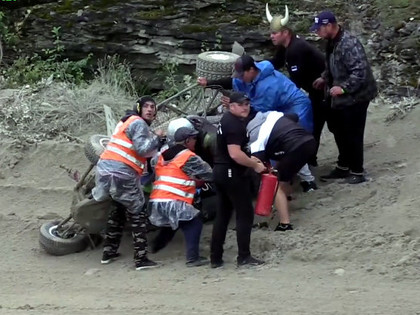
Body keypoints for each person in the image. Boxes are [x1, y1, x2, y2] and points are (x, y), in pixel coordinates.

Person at [197, 55, 317, 192]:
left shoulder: (268, 86)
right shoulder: (251, 76)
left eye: (242, 75)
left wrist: (234, 105)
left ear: (251, 70)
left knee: (292, 144)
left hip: (295, 106)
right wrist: (209, 82)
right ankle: (286, 178)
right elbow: (233, 82)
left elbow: (255, 110)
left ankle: (303, 180)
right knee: (285, 146)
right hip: (275, 110)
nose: (240, 78)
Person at [92, 96, 164, 271]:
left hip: (105, 169)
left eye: (153, 107)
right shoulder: (138, 123)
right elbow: (143, 149)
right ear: (138, 108)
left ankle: (108, 252)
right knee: (137, 212)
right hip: (122, 172)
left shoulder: (124, 121)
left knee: (118, 208)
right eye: (146, 106)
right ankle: (141, 259)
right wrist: (158, 138)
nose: (149, 109)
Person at [311, 11, 378, 184]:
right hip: (342, 97)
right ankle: (343, 167)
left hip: (358, 96)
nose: (317, 33)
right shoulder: (332, 42)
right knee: (340, 131)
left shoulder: (349, 43)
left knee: (353, 133)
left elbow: (360, 72)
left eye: (319, 29)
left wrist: (343, 88)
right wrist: (324, 77)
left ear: (329, 26)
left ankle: (357, 171)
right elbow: (332, 65)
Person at [266, 3, 330, 168]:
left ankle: (313, 159)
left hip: (325, 90)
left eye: (274, 33)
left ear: (285, 32)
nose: (271, 36)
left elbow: (296, 81)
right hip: (315, 90)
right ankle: (311, 158)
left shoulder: (296, 49)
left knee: (318, 125)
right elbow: (275, 63)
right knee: (314, 123)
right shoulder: (285, 46)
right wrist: (255, 68)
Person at [210, 91, 266, 268]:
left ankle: (216, 257)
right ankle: (244, 257)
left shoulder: (226, 120)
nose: (245, 107)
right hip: (230, 172)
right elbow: (235, 154)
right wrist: (254, 165)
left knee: (223, 215)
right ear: (231, 106)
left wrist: (250, 159)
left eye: (247, 104)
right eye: (241, 104)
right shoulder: (234, 124)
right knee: (244, 213)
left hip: (219, 170)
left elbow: (235, 150)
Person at [148, 124, 213, 267]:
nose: (196, 141)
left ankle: (155, 247)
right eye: (194, 138)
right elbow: (209, 174)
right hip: (174, 200)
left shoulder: (160, 156)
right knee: (194, 222)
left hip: (156, 200)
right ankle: (193, 258)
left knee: (173, 223)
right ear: (187, 140)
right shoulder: (188, 156)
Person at [247, 111, 317, 231]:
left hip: (293, 148)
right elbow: (294, 116)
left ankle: (285, 223)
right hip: (309, 141)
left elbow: (261, 165)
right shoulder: (271, 114)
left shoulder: (254, 136)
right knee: (283, 174)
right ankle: (287, 198)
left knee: (274, 183)